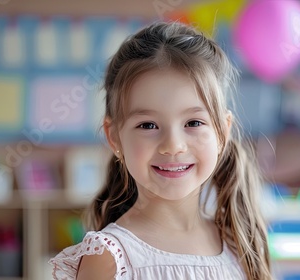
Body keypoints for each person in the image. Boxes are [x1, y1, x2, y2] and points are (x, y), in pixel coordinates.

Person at [49, 21, 271, 280]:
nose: (173, 145)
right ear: (114, 137)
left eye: (194, 123)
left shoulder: (239, 243)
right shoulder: (110, 258)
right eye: (148, 125)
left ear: (223, 131)